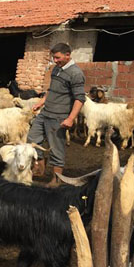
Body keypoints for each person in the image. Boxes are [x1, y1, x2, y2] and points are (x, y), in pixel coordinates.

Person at [28, 42, 85, 186]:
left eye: (58, 57)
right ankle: (39, 167)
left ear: (68, 55)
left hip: (59, 116)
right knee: (32, 138)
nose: (55, 60)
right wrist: (42, 102)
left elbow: (79, 99)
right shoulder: (56, 69)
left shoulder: (76, 73)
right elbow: (51, 90)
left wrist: (71, 118)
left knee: (56, 148)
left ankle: (56, 179)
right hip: (45, 112)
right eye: (54, 57)